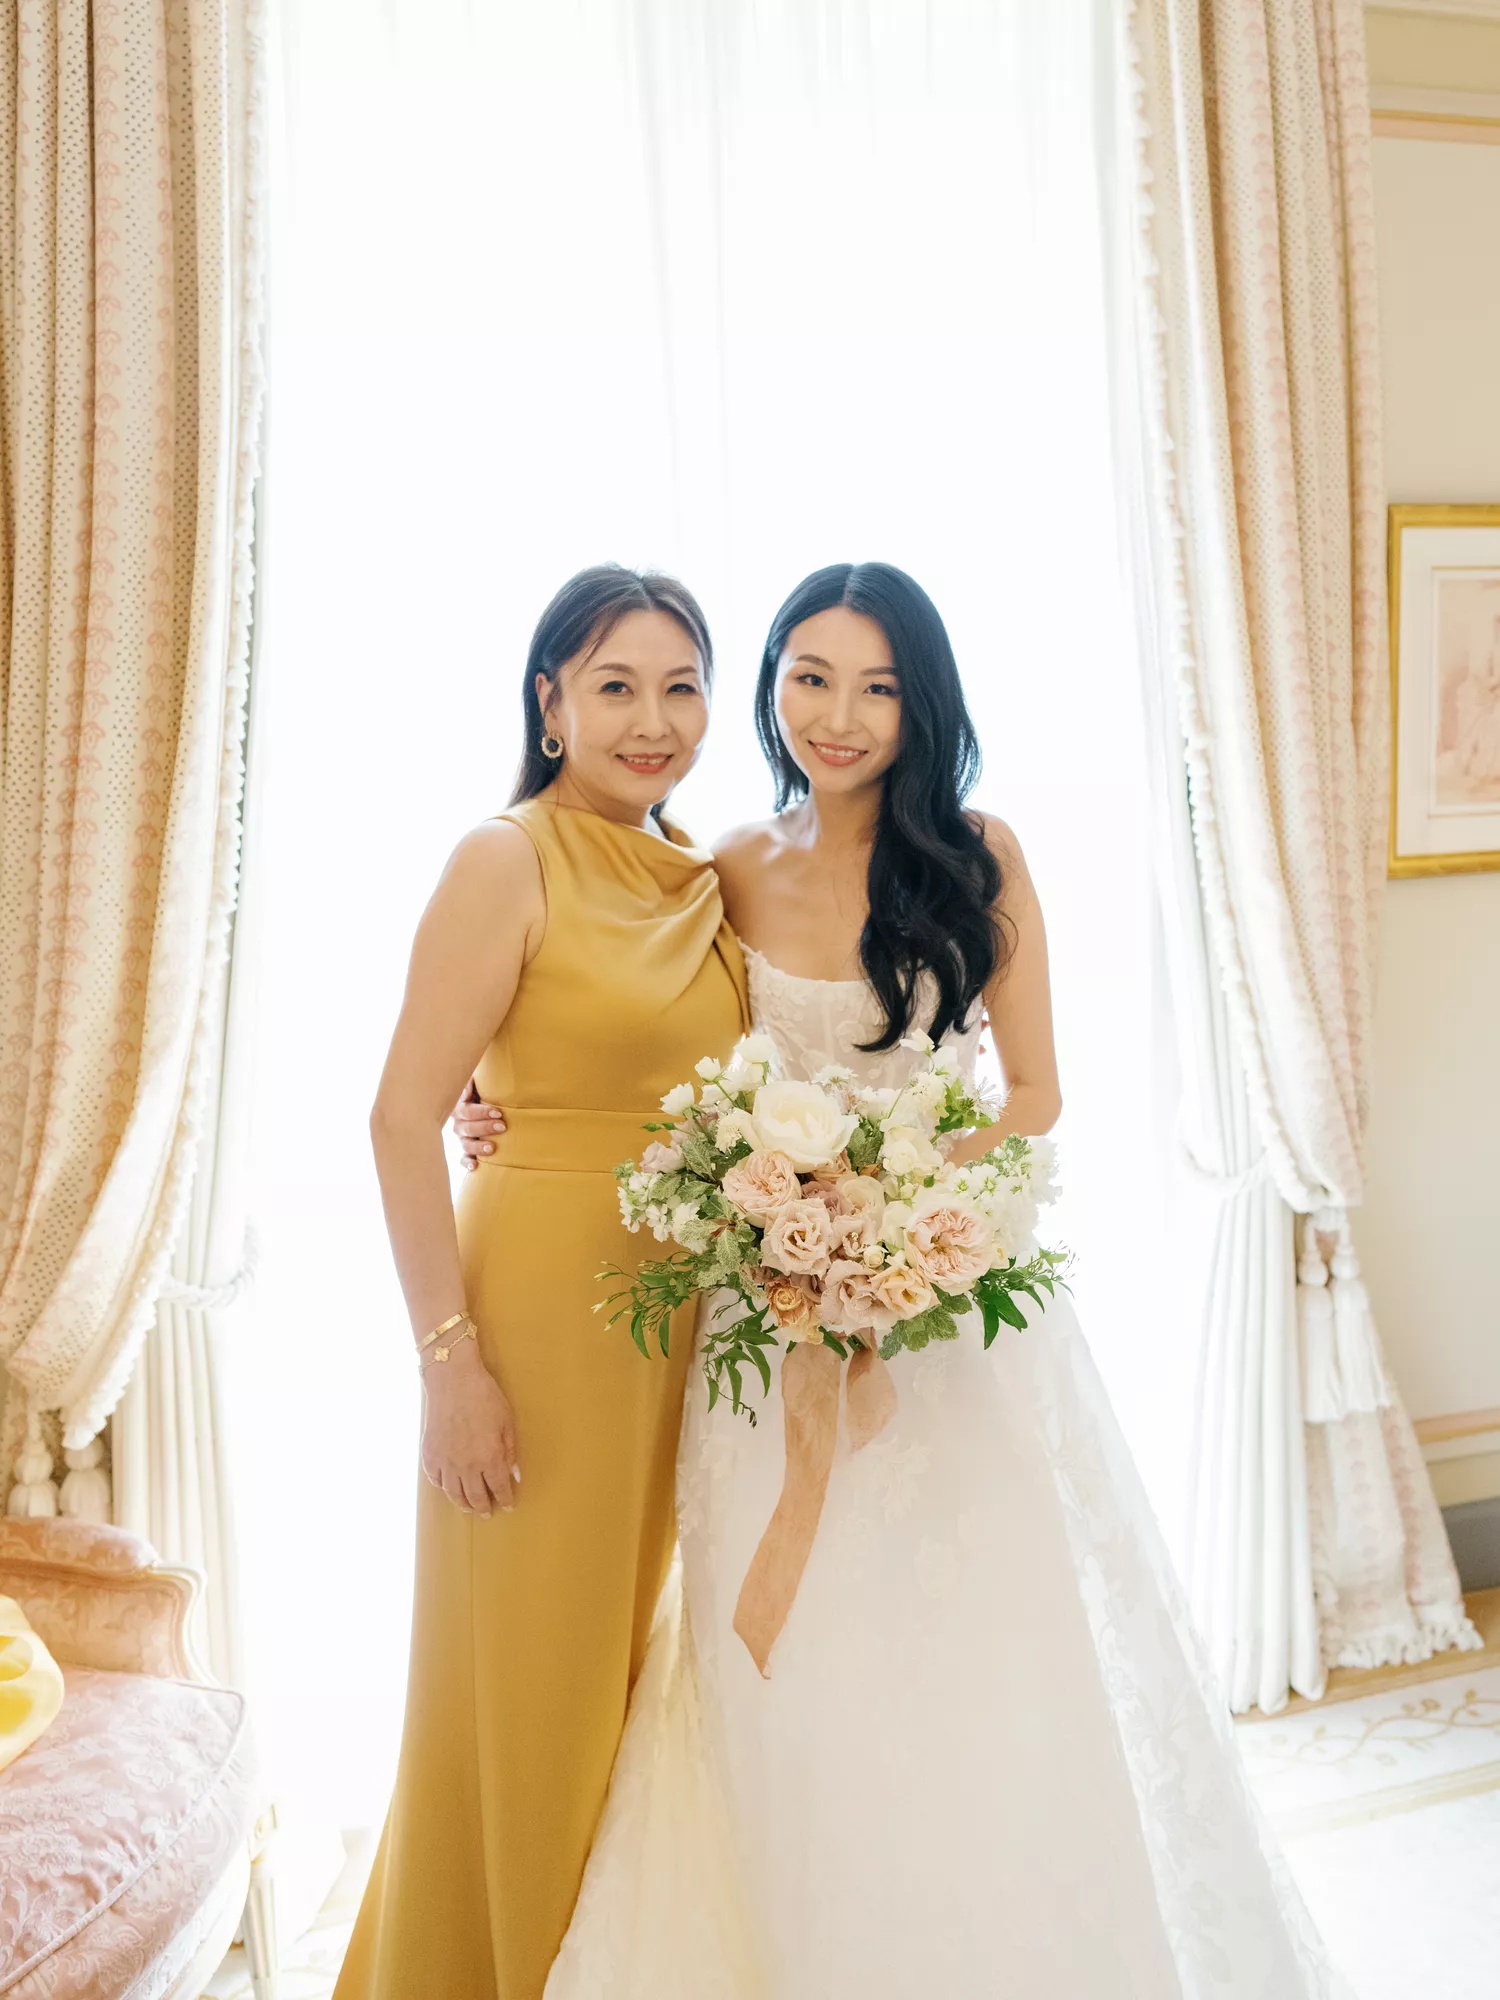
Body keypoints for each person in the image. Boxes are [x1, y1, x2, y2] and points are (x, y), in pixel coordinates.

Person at [460, 562, 1349, 1999]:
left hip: (948, 1313)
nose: (839, 713)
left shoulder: (979, 856)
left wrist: (896, 1214)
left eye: (877, 686)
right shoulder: (725, 862)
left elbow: (1038, 1094)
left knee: (982, 1657)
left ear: (921, 704)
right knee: (796, 1671)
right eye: (809, 676)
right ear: (770, 690)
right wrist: (492, 1103)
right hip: (770, 1314)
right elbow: (620, 1022)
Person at [335, 565, 748, 2000]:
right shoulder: (504, 857)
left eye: (681, 686)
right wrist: (450, 1365)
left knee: (653, 1695)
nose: (653, 720)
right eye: (617, 685)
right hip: (537, 1331)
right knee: (533, 1699)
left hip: (689, 1325)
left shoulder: (704, 873)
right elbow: (401, 1116)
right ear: (550, 699)